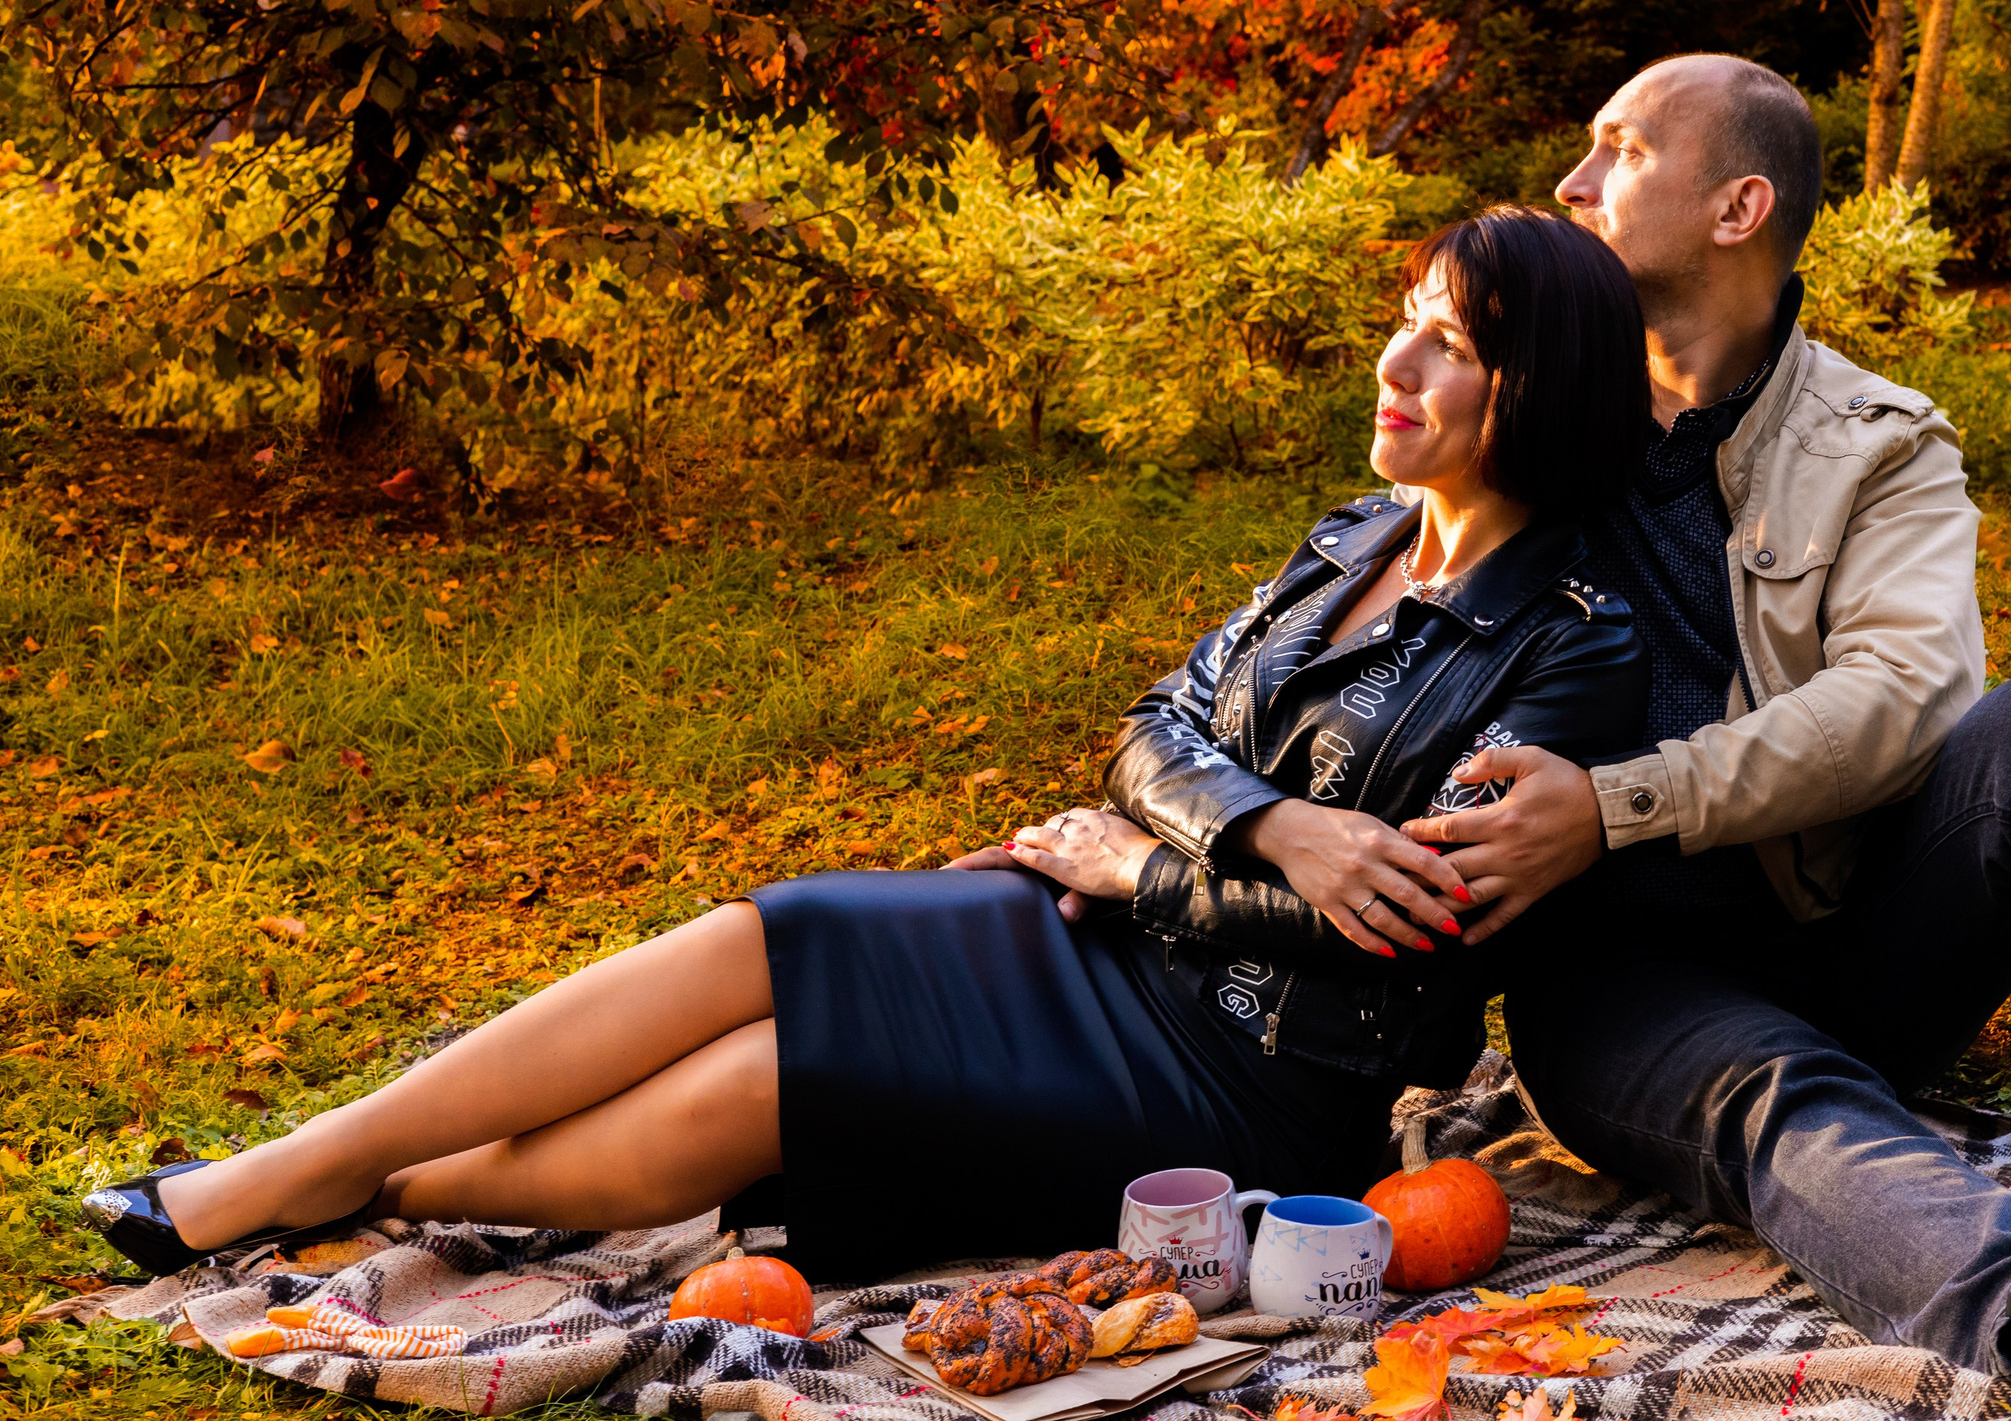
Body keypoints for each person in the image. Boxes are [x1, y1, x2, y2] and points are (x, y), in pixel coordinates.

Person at [1122, 57, 2011, 1421]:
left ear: (1738, 209)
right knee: (1775, 1100)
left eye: (1620, 152)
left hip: (1862, 926)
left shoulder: (1878, 442)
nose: (1571, 181)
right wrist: (1230, 836)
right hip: (1622, 986)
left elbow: (1906, 699)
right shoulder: (1533, 407)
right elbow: (1337, 636)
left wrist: (1618, 802)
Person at [79, 206, 1654, 1286]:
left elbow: (1403, 947)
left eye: (1450, 345)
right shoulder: (1351, 538)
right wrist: (1253, 828)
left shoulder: (1575, 649)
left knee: (770, 1087)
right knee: (773, 934)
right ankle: (300, 1163)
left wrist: (1147, 878)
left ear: (1543, 388)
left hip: (1244, 1077)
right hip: (1095, 938)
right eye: (1408, 326)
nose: (1398, 366)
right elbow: (1155, 730)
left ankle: (393, 1193)